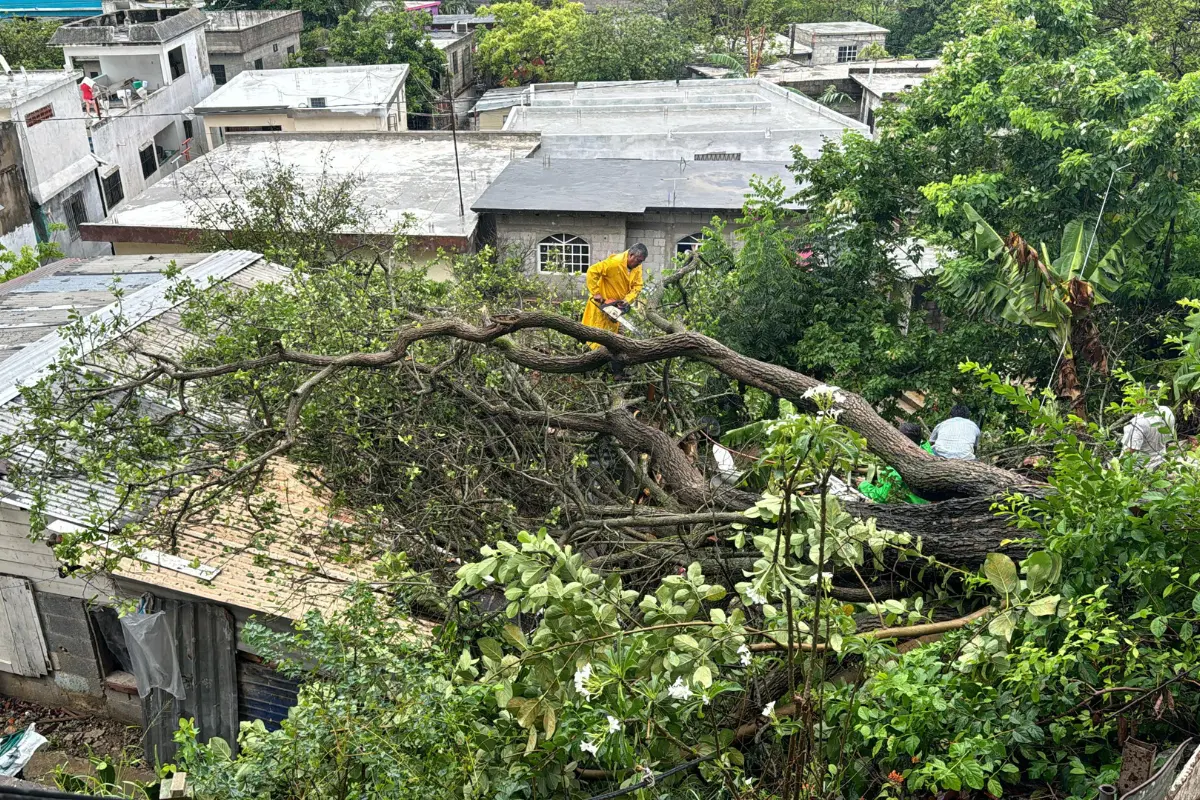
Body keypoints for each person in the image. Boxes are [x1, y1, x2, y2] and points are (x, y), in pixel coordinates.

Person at [582, 244, 647, 349]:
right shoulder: (614, 263)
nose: (639, 264)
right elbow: (592, 271)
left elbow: (638, 285)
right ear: (631, 255)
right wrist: (596, 293)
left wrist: (626, 300)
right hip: (602, 305)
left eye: (641, 262)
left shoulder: (637, 266)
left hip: (616, 306)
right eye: (638, 260)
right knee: (596, 339)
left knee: (611, 338)